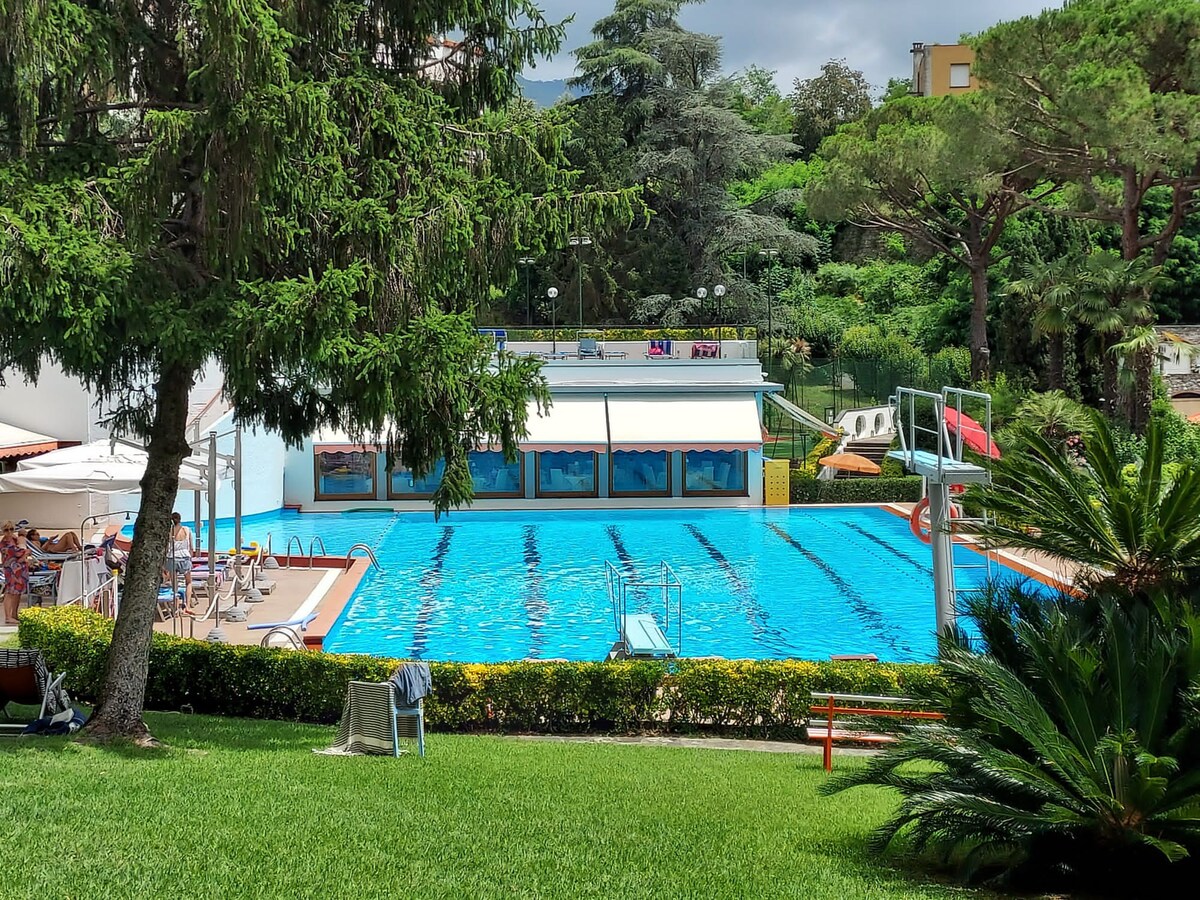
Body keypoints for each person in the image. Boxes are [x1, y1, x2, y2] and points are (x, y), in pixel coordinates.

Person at [1, 521, 30, 625]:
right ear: (3, 531)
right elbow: (19, 552)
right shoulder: (5, 543)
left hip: (19, 571)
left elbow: (23, 554)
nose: (9, 532)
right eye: (6, 530)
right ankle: (8, 616)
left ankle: (14, 614)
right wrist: (23, 555)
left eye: (11, 529)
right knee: (10, 592)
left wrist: (23, 556)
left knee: (17, 593)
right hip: (11, 571)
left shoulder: (14, 539)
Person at [164, 513, 194, 609]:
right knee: (188, 582)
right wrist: (191, 558)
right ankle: (187, 606)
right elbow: (191, 547)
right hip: (184, 557)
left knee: (174, 585)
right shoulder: (186, 530)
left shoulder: (169, 532)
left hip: (172, 557)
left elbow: (166, 548)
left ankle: (176, 606)